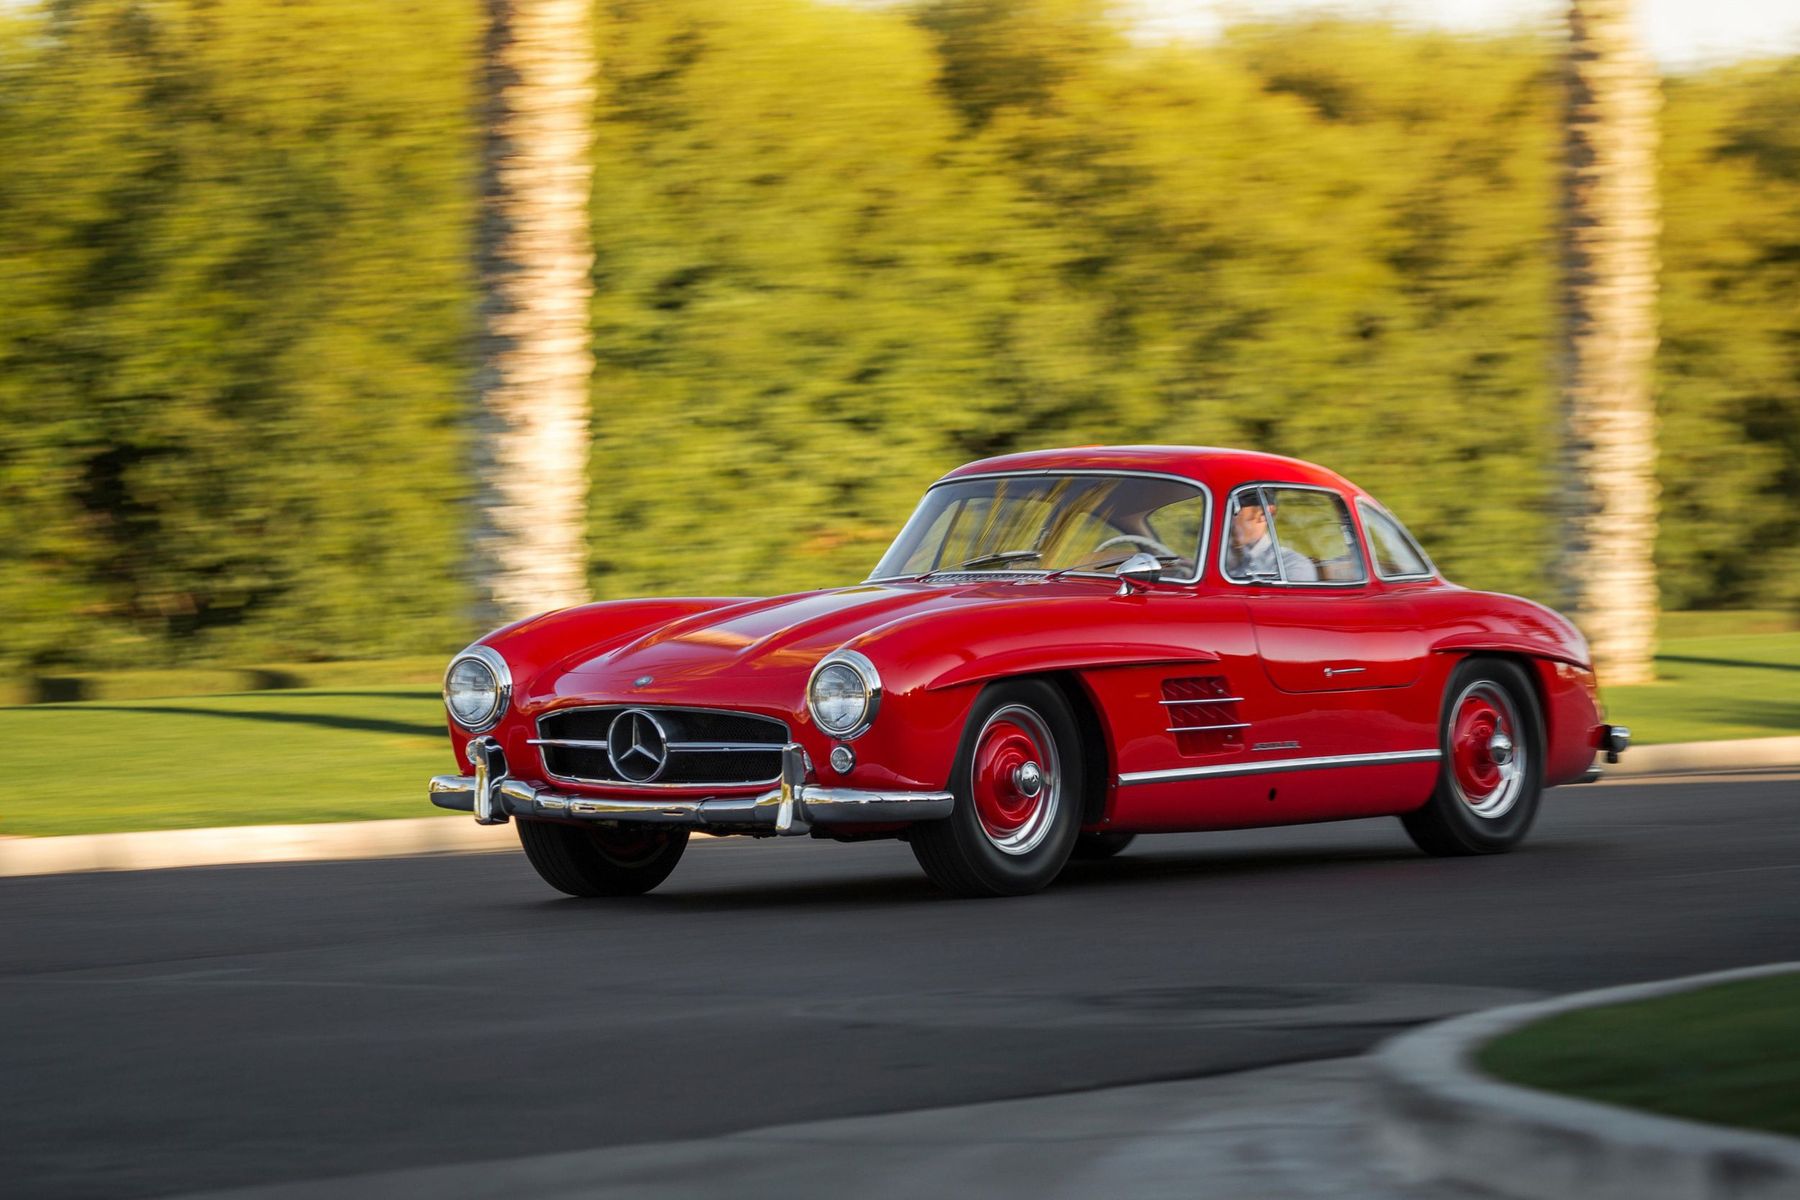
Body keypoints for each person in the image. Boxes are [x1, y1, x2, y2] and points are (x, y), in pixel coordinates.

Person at [1228, 495, 1318, 582]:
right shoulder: (1224, 555)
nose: (1229, 519)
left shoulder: (1293, 565)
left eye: (1234, 511)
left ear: (1263, 514)